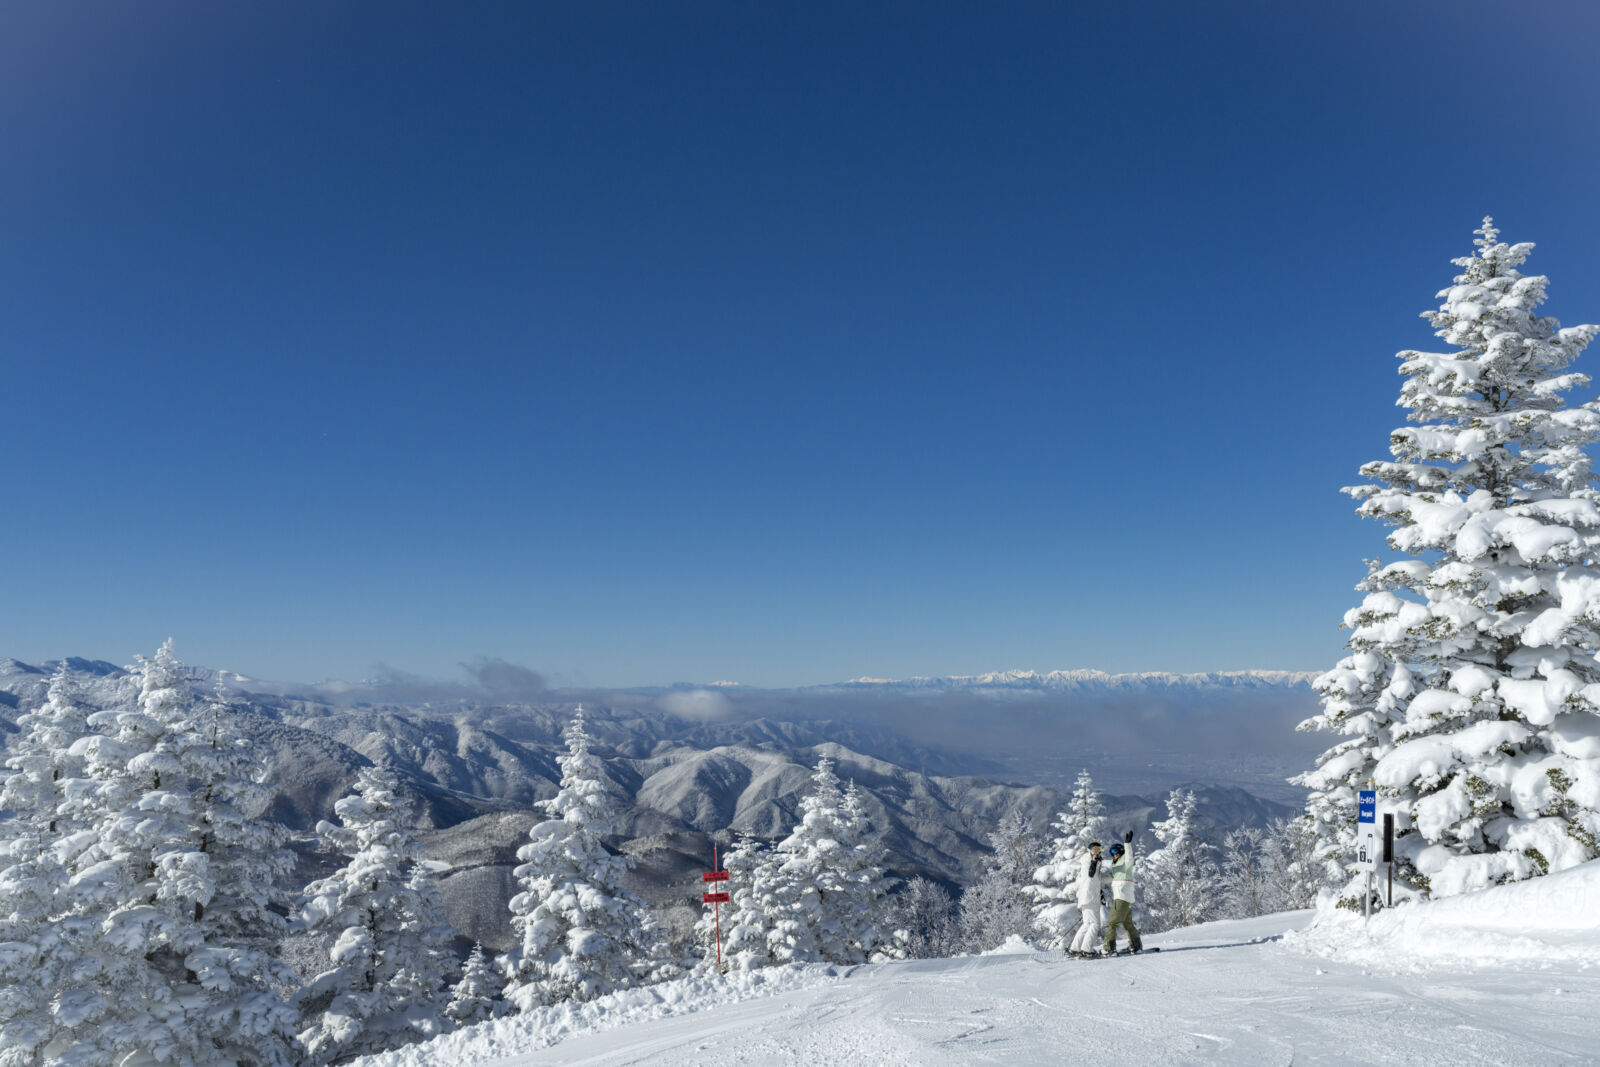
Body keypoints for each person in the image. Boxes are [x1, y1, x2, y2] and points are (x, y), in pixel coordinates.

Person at [1102, 830, 1143, 955]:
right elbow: (1113, 878)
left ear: (1121, 851)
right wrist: (1097, 880)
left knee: (1112, 923)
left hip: (1122, 897)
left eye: (1115, 852)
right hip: (1124, 897)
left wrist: (1127, 844)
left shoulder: (1126, 861)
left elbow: (1130, 856)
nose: (1113, 854)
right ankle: (1136, 946)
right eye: (1111, 853)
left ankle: (1109, 949)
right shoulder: (1117, 866)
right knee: (1128, 924)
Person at [1068, 841, 1105, 956]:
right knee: (1095, 924)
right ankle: (1087, 949)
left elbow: (1095, 879)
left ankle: (1075, 948)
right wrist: (1094, 861)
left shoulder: (1090, 862)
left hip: (1086, 898)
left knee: (1087, 924)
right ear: (1090, 850)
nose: (1098, 851)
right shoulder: (1089, 861)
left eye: (1099, 849)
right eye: (1095, 849)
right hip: (1090, 898)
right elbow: (1091, 873)